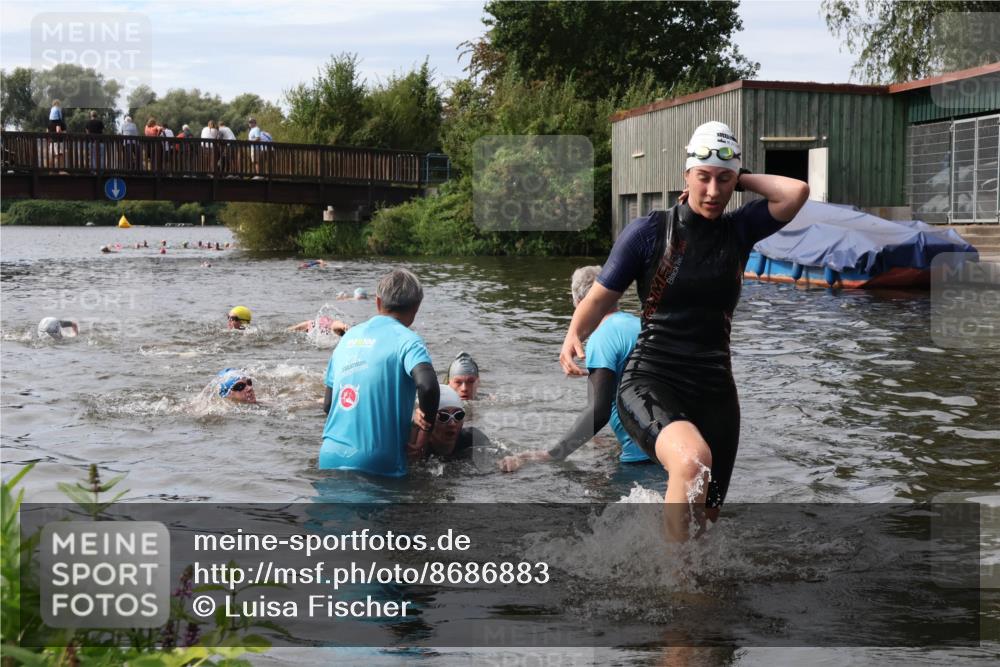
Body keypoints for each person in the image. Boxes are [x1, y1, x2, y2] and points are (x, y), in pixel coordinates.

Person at [558, 121, 809, 541]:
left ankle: (678, 570)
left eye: (724, 180)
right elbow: (601, 295)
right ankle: (679, 592)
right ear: (686, 175)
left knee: (705, 525)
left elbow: (796, 192)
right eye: (703, 177)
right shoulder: (650, 232)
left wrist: (735, 171)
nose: (713, 191)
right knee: (693, 461)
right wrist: (573, 332)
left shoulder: (739, 229)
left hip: (714, 390)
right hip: (652, 378)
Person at [500, 265, 648, 473]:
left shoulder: (603, 337)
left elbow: (598, 412)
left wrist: (552, 454)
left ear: (579, 303)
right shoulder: (642, 324)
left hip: (641, 460)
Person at [319, 269, 439, 476]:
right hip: (377, 461)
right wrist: (425, 433)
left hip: (329, 455)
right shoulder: (409, 340)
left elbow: (329, 405)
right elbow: (427, 386)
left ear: (377, 301)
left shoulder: (348, 338)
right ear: (416, 307)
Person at [408, 384, 490, 460]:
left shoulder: (473, 439)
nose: (452, 423)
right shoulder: (418, 445)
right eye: (443, 416)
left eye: (458, 415)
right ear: (425, 420)